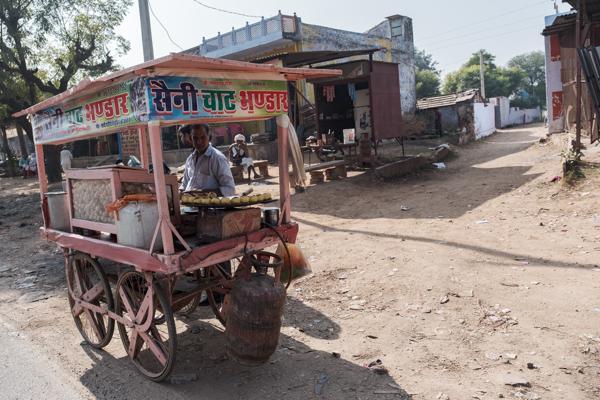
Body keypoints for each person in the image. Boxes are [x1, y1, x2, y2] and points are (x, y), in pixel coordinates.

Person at [179, 124, 236, 196]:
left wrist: (202, 193)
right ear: (191, 139)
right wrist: (178, 193)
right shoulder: (190, 159)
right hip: (191, 205)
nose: (199, 142)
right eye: (195, 138)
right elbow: (185, 184)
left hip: (211, 206)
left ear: (209, 137)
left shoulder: (217, 158)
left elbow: (229, 189)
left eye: (203, 137)